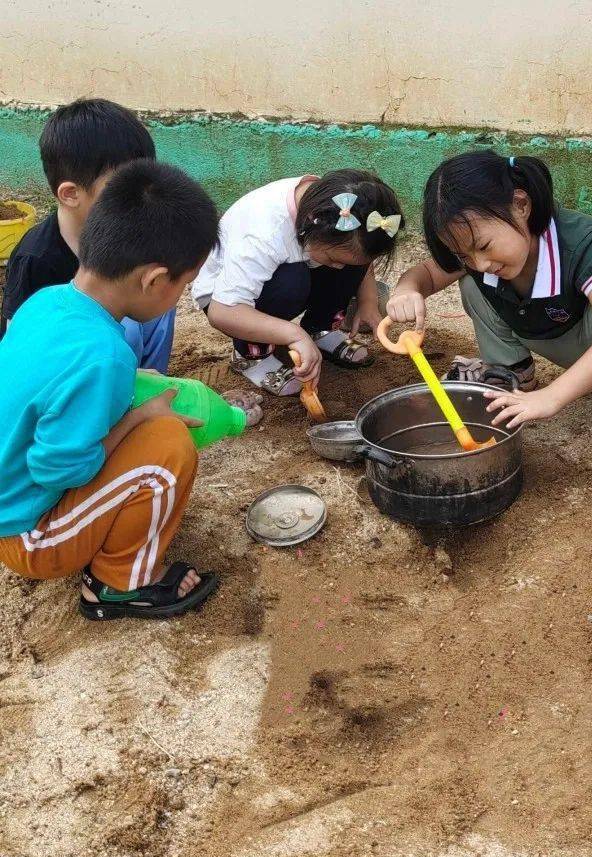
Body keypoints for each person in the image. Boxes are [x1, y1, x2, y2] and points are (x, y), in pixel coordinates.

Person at [0, 160, 222, 621]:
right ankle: (121, 584)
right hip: (26, 534)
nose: (180, 295)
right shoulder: (105, 355)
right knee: (167, 449)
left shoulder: (48, 300)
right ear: (153, 280)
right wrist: (140, 418)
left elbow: (49, 393)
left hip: (9, 491)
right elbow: (59, 467)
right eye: (183, 285)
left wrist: (138, 392)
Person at [386, 151, 592, 451]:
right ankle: (512, 371)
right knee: (473, 282)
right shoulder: (483, 255)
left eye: (483, 246)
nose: (480, 262)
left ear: (521, 205)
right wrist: (407, 289)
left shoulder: (585, 244)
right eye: (464, 255)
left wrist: (551, 397)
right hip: (550, 333)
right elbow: (428, 274)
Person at [1, 98, 176, 373]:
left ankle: (155, 391)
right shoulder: (36, 259)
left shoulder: (126, 228)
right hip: (65, 374)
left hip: (114, 355)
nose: (140, 197)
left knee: (160, 295)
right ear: (71, 194)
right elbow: (22, 353)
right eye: (123, 187)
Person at [192, 170, 403, 396]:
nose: (340, 269)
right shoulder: (264, 236)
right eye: (333, 259)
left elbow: (359, 255)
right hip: (229, 301)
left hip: (297, 269)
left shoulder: (341, 213)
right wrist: (293, 335)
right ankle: (251, 355)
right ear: (313, 228)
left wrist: (367, 300)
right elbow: (221, 311)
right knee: (291, 282)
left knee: (340, 264)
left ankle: (319, 329)